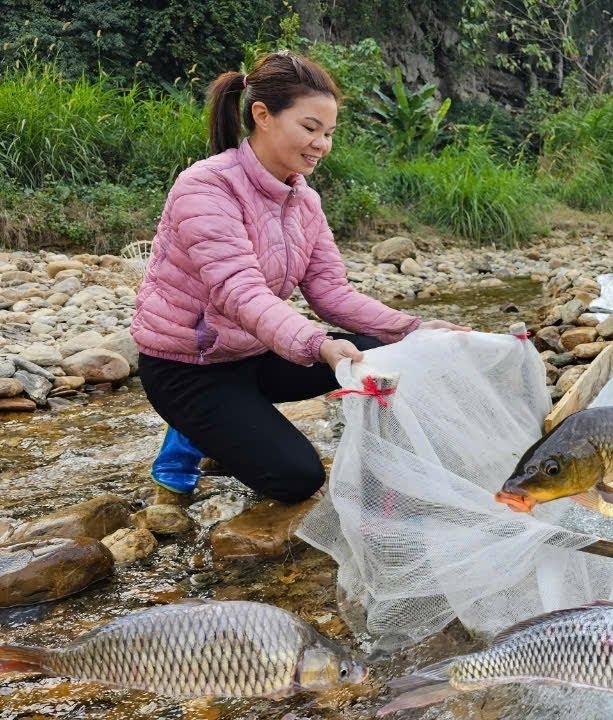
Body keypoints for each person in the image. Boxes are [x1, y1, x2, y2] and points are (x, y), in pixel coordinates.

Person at [130, 50, 466, 503]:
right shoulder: (206, 187)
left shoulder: (304, 200)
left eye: (329, 133)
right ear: (262, 116)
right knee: (298, 479)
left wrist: (413, 329)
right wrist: (318, 345)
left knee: (379, 351)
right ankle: (192, 430)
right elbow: (239, 291)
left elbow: (330, 291)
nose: (321, 145)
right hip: (189, 368)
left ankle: (238, 428)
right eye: (310, 128)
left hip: (254, 352)